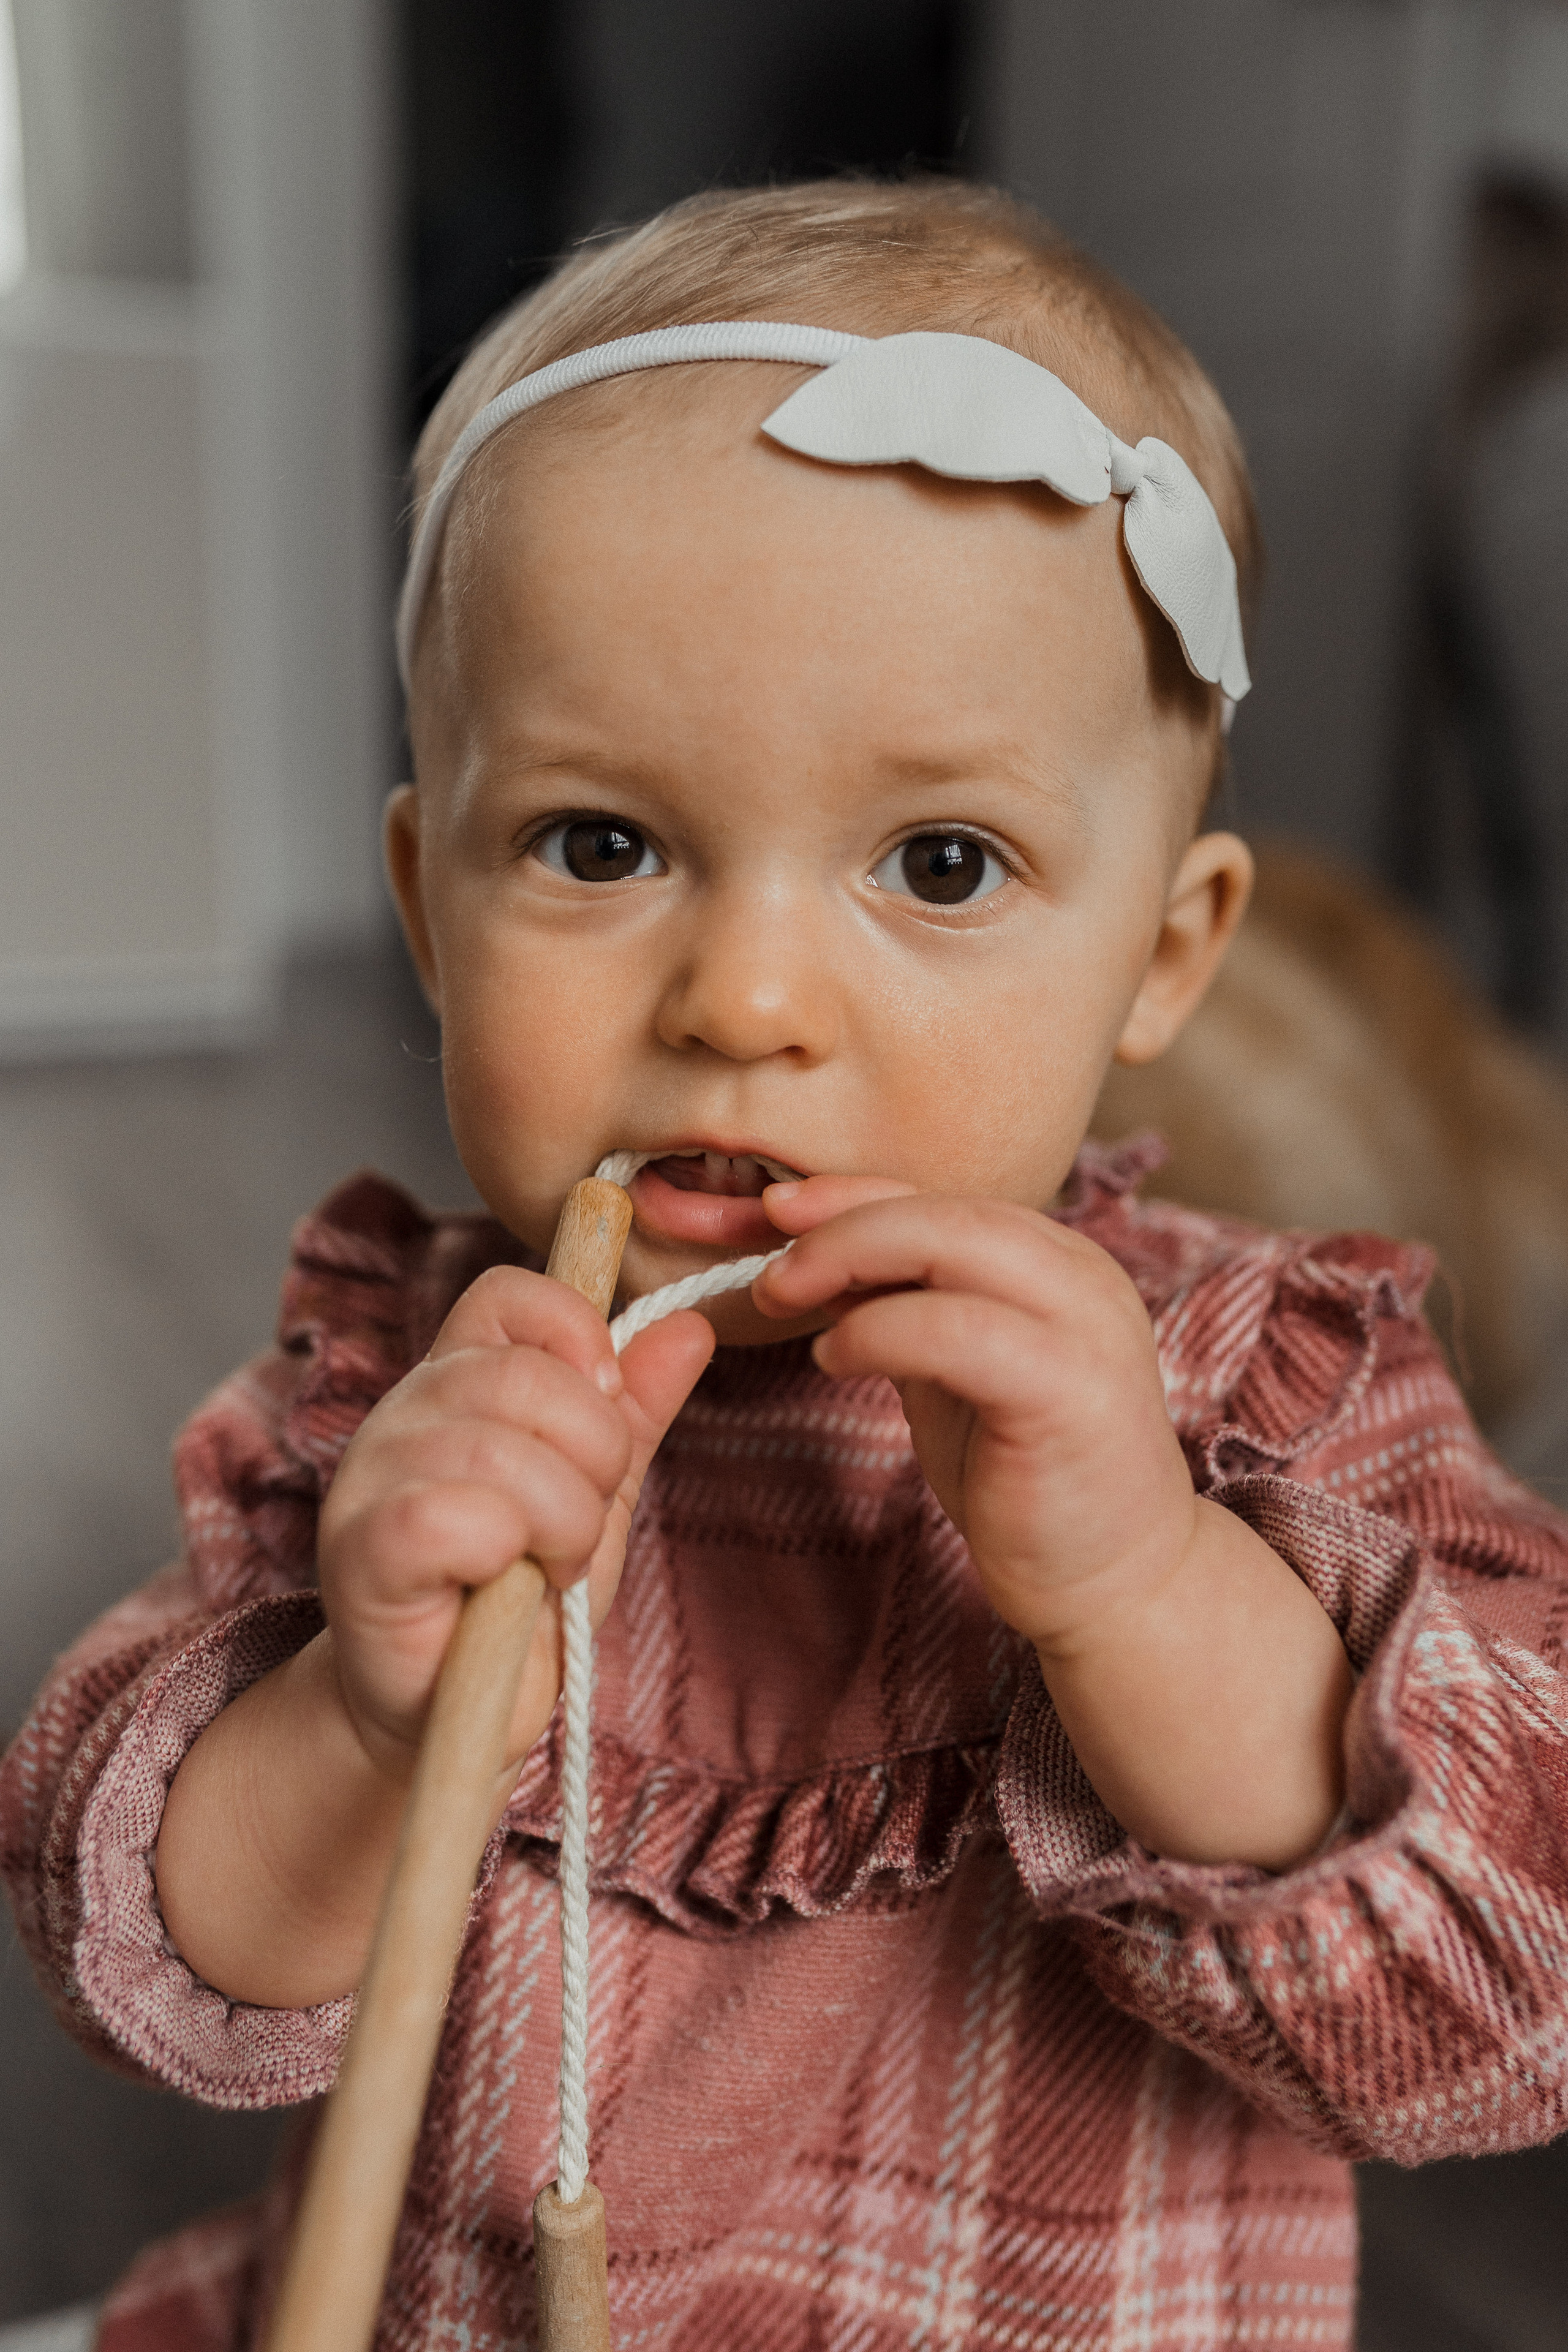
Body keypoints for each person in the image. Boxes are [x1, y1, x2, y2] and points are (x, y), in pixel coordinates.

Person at [5, 179, 1567, 2352]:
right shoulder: (403, 1391)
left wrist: (1142, 1586)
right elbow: (156, 1975)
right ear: (430, 911)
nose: (743, 997)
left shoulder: (1262, 1394)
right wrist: (365, 1714)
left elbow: (1494, 2014)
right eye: (599, 844)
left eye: (939, 863)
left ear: (1164, 950)